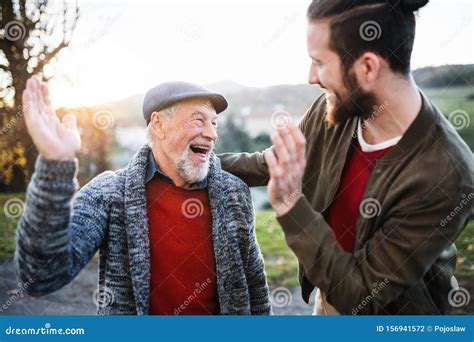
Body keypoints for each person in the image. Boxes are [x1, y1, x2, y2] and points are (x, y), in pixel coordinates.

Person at [219, 0, 473, 314]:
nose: (312, 77)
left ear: (367, 67)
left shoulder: (447, 172)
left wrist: (289, 204)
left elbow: (360, 294)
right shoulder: (337, 108)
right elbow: (274, 163)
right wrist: (201, 164)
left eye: (319, 62)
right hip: (329, 296)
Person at [15, 77, 271, 315]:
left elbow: (255, 285)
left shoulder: (233, 192)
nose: (212, 134)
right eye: (198, 120)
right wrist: (55, 165)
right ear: (158, 125)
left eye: (213, 123)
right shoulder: (109, 193)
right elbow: (41, 275)